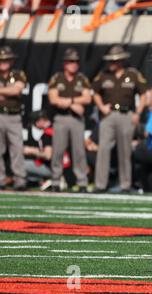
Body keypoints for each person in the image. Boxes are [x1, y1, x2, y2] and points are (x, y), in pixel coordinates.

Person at [92, 45, 148, 193]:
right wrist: (101, 107)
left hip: (126, 114)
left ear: (122, 60)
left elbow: (143, 94)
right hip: (109, 114)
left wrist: (138, 113)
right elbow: (95, 92)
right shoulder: (103, 75)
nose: (112, 64)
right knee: (103, 148)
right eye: (111, 61)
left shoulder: (133, 74)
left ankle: (125, 184)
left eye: (115, 61)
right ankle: (100, 184)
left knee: (125, 150)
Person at [48, 48, 91, 193]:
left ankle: (82, 182)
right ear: (65, 63)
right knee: (58, 151)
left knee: (79, 152)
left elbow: (87, 98)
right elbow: (53, 99)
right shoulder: (57, 78)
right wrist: (73, 104)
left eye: (76, 61)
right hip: (61, 118)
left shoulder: (82, 78)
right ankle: (55, 181)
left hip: (76, 120)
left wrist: (68, 100)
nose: (74, 64)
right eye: (71, 61)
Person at [0, 46, 27, 191]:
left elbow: (17, 89)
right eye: (1, 59)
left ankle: (19, 179)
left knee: (17, 148)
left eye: (6, 59)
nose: (3, 62)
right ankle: (1, 179)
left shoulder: (18, 74)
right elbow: (13, 91)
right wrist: (8, 92)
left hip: (13, 115)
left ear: (11, 60)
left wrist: (6, 92)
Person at [133, 109, 152, 192]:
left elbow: (146, 133)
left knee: (134, 153)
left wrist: (135, 125)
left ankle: (134, 184)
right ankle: (149, 186)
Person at [23, 110, 53, 185]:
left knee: (21, 164)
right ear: (37, 121)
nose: (47, 121)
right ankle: (37, 180)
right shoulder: (27, 132)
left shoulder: (48, 133)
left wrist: (33, 151)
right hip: (33, 163)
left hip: (47, 166)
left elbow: (48, 155)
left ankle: (44, 179)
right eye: (44, 120)